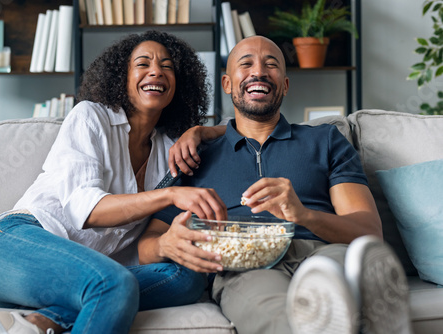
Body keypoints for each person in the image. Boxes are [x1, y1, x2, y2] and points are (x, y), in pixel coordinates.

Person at [138, 35, 412, 334]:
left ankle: (354, 297)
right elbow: (146, 245)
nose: (258, 72)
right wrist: (167, 244)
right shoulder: (195, 155)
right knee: (280, 320)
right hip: (246, 266)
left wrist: (302, 215)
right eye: (246, 64)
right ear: (227, 84)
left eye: (271, 64)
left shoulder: (326, 140)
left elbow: (369, 232)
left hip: (323, 250)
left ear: (285, 84)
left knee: (339, 272)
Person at [0, 30, 228, 334]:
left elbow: (244, 128)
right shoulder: (90, 116)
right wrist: (170, 195)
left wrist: (201, 131)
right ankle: (91, 298)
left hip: (83, 274)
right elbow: (88, 210)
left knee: (186, 279)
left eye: (167, 66)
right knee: (114, 284)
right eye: (143, 64)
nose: (156, 71)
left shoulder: (169, 151)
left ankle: (42, 320)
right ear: (122, 76)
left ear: (179, 84)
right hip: (13, 245)